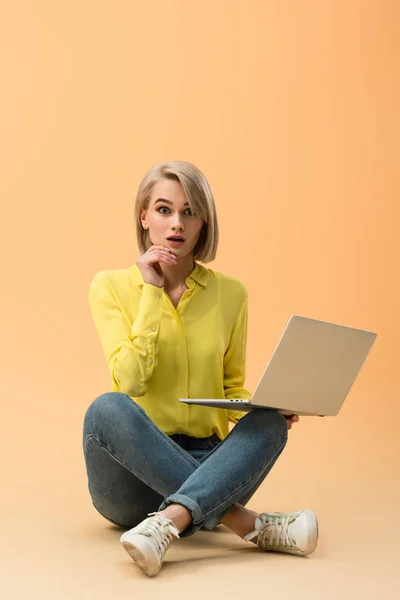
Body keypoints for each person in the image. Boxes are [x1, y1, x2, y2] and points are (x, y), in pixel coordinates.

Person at [82, 160, 318, 577]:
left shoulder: (231, 294)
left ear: (204, 221)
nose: (177, 223)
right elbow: (131, 379)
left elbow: (230, 391)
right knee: (106, 408)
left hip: (208, 460)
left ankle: (167, 523)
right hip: (131, 482)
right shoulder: (110, 286)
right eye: (164, 209)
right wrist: (152, 294)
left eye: (190, 211)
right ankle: (248, 524)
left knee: (270, 425)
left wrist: (265, 409)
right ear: (143, 216)